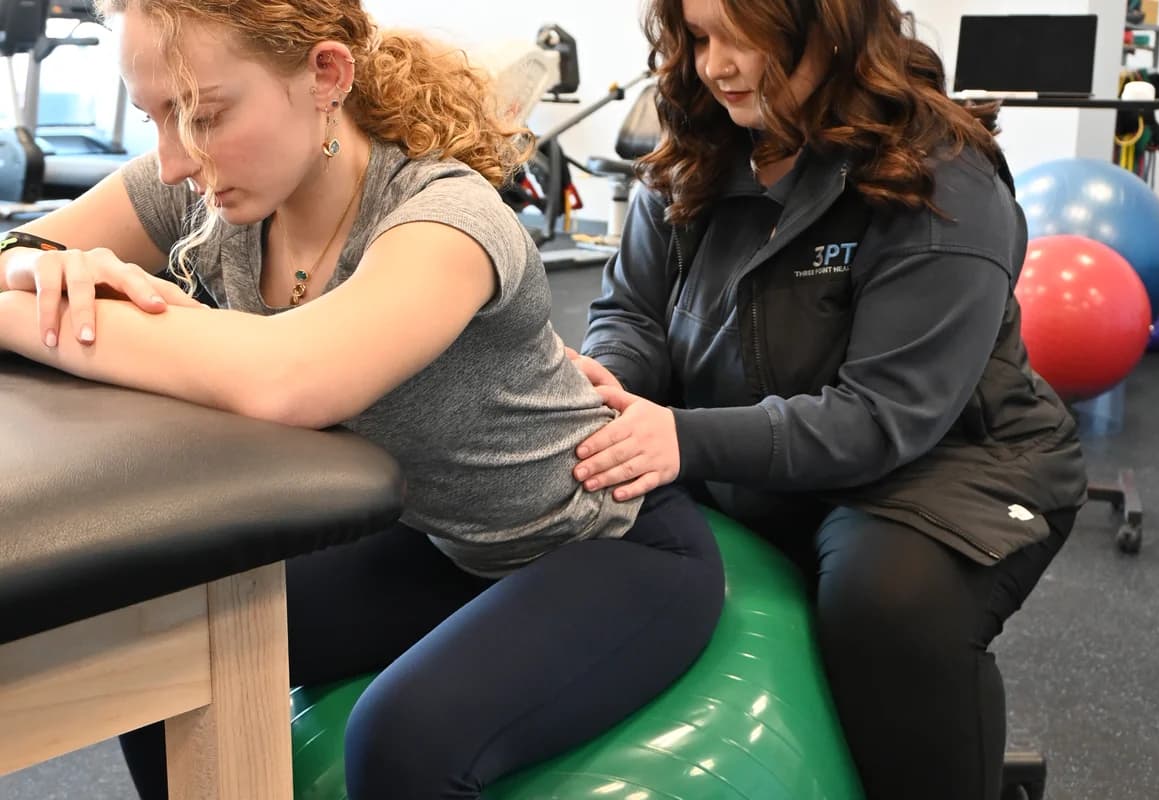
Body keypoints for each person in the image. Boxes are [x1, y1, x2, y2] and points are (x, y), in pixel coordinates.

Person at [0, 2, 726, 799]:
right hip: (440, 540)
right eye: (156, 118)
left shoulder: (445, 218)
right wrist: (41, 270)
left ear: (326, 75)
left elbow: (288, 378)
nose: (173, 159)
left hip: (610, 543)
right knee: (151, 661)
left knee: (398, 741)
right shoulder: (208, 188)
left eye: (202, 115)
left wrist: (30, 312)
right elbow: (20, 245)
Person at [568, 0, 1089, 798]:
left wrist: (679, 437)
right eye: (702, 37)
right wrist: (612, 380)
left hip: (945, 464)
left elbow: (886, 414)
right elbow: (633, 315)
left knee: (888, 603)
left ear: (831, 26)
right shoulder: (696, 151)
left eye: (748, 37)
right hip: (736, 442)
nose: (718, 65)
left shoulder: (940, 172)